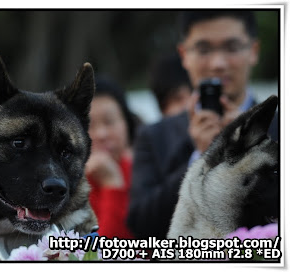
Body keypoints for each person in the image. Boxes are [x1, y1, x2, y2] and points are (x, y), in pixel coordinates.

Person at [127, 10, 278, 240]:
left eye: (232, 47)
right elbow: (141, 226)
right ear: (184, 55)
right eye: (204, 49)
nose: (218, 63)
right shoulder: (154, 136)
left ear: (253, 51)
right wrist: (204, 154)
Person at [86, 76, 138, 239]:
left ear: (127, 123)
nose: (101, 134)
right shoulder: (68, 186)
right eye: (89, 125)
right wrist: (112, 183)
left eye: (109, 121)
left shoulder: (147, 173)